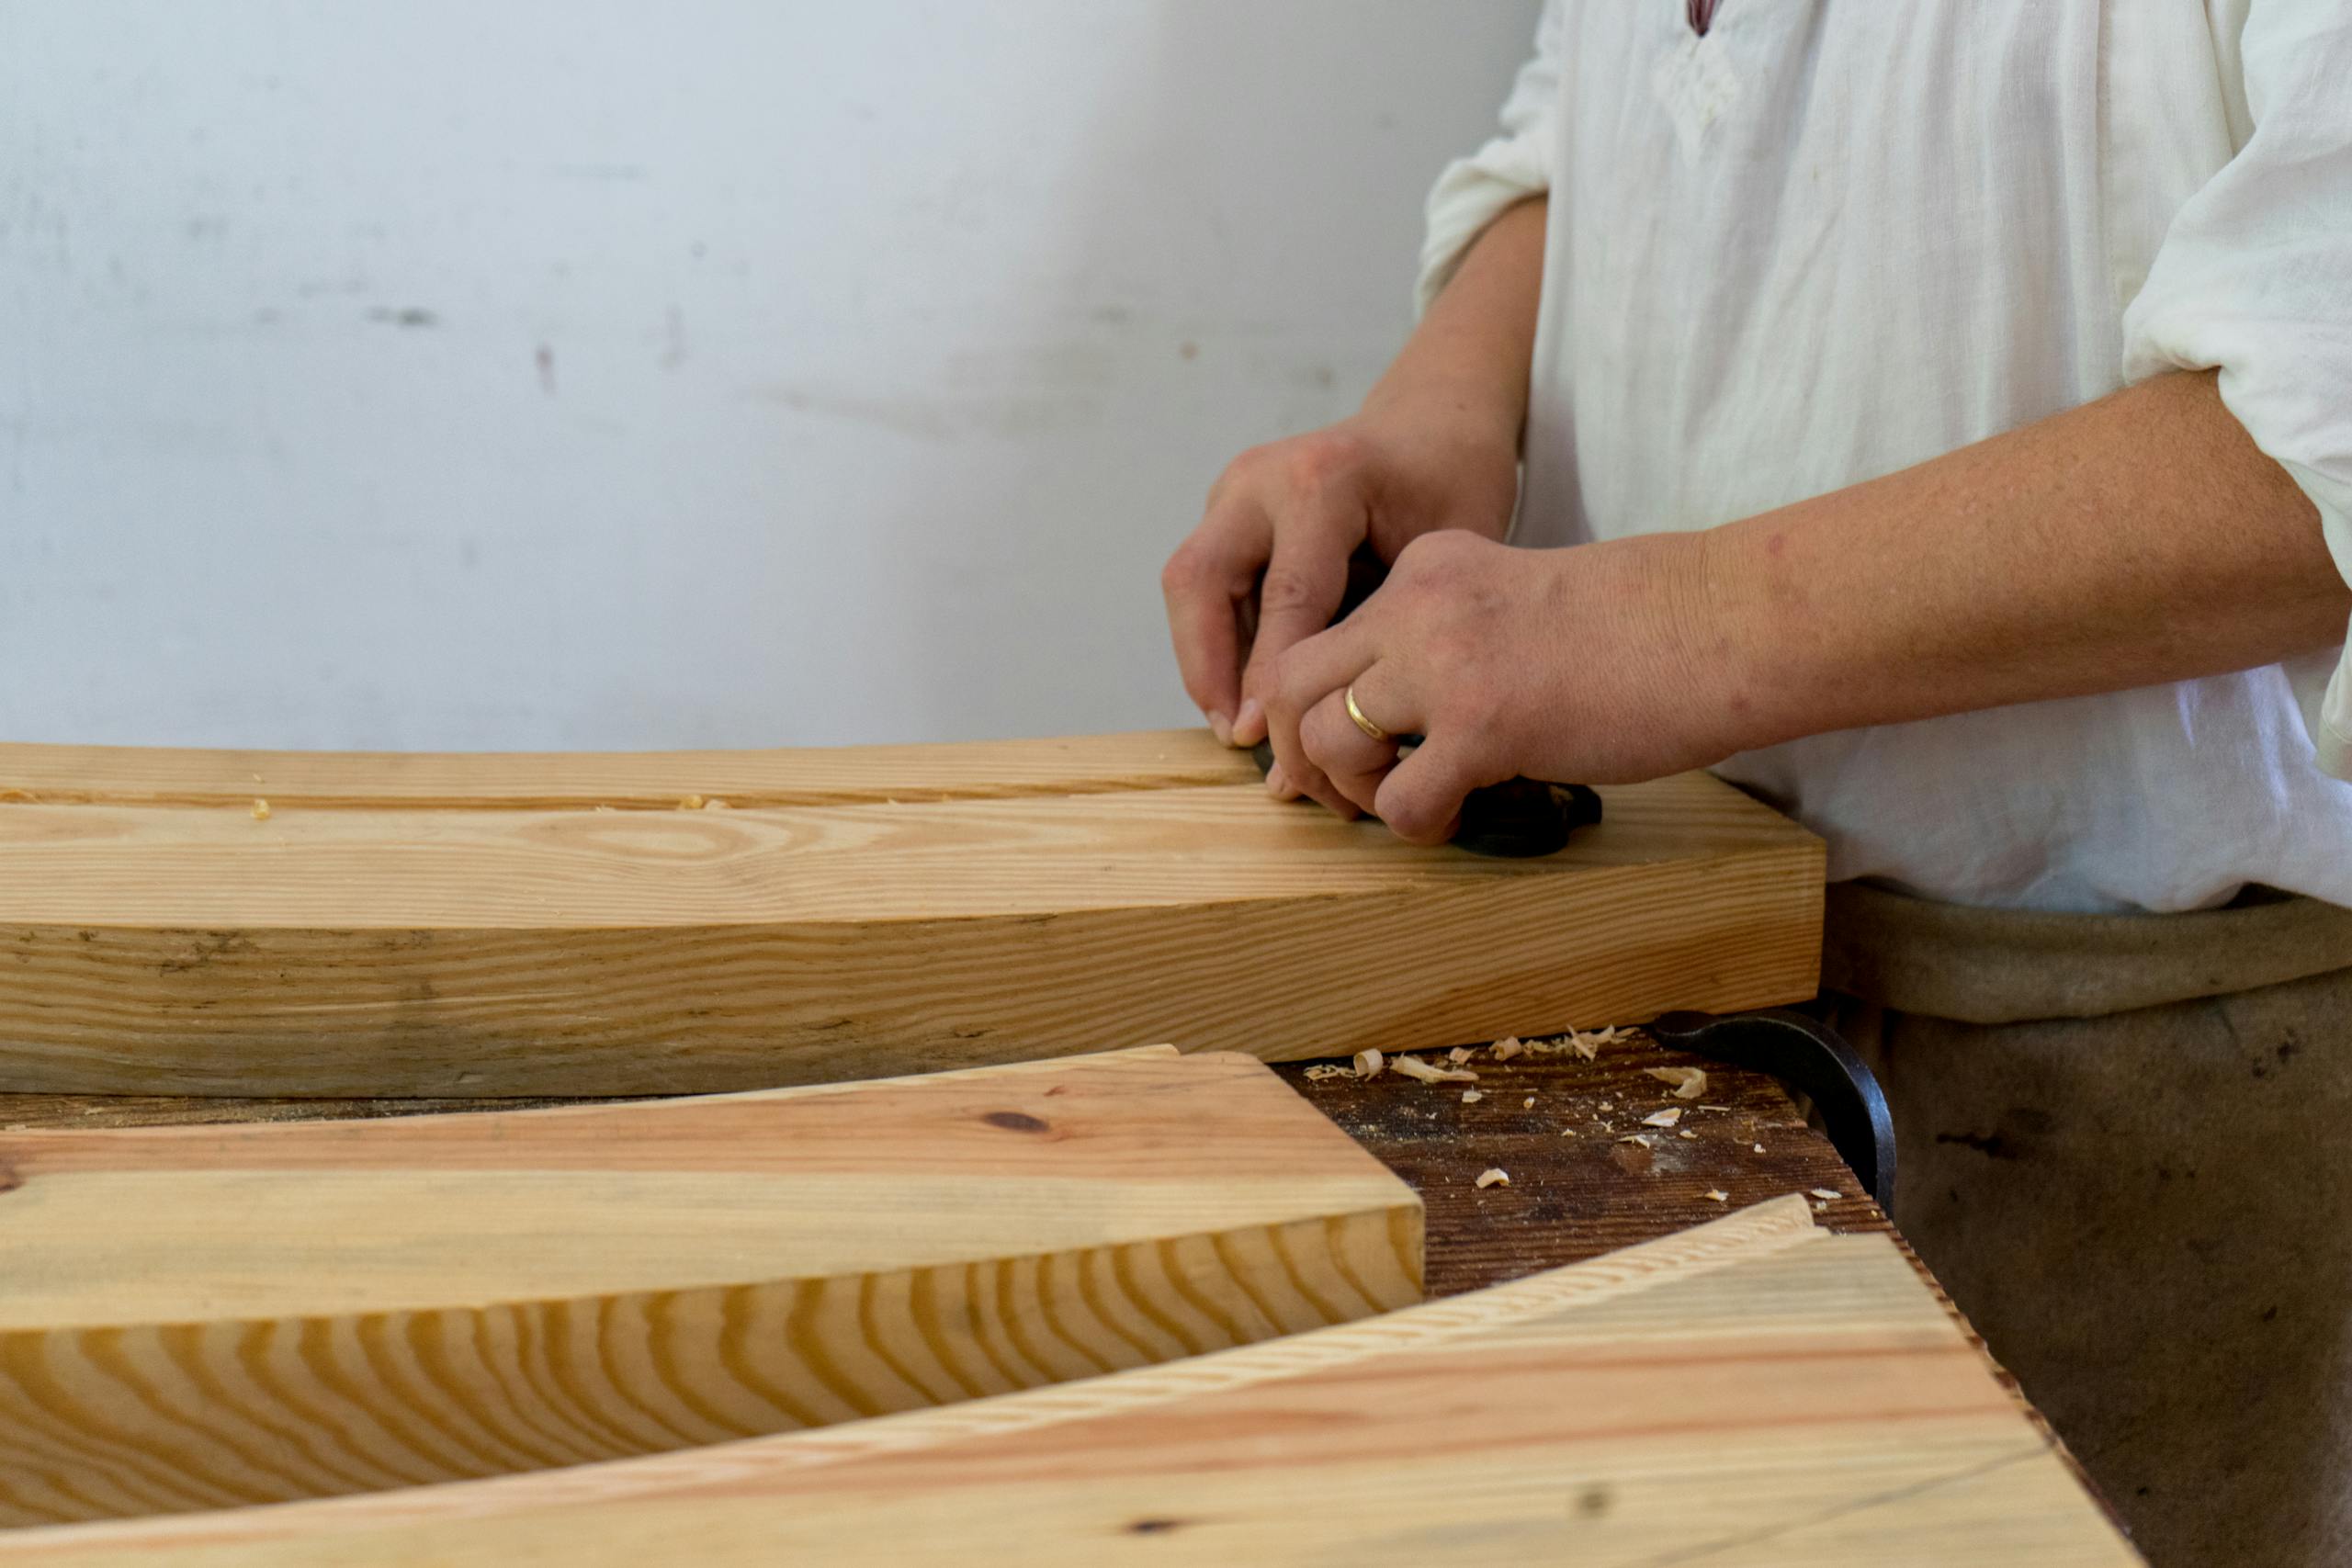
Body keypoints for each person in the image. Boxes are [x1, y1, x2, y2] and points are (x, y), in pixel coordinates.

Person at [1160, 6, 2352, 1565]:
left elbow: (2316, 446)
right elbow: (1610, 113)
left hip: (2150, 1063)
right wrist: (1445, 411)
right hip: (1648, 963)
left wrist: (1661, 623)